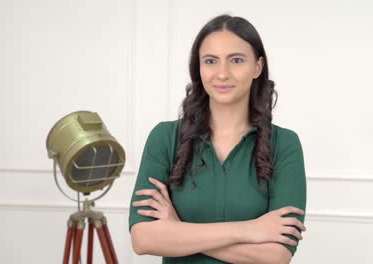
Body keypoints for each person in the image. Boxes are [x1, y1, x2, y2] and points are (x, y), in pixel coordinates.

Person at [129, 14, 307, 264]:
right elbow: (143, 239)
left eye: (236, 60)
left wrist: (177, 229)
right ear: (199, 68)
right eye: (211, 61)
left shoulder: (285, 145)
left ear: (257, 67)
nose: (222, 74)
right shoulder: (164, 138)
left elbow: (276, 257)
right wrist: (250, 230)